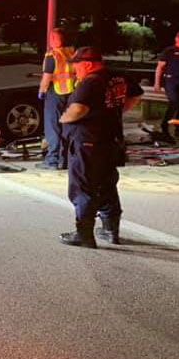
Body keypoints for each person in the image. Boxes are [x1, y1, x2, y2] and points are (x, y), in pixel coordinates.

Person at [58, 47, 143, 248]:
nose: (75, 70)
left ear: (87, 64)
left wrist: (65, 119)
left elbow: (79, 109)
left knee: (83, 186)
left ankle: (84, 233)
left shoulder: (90, 82)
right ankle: (110, 229)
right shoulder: (118, 76)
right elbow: (136, 95)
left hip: (87, 141)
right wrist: (116, 110)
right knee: (106, 184)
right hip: (110, 140)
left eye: (77, 66)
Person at [37, 28, 75, 170]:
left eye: (53, 38)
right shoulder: (71, 52)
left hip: (56, 92)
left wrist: (41, 91)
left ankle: (52, 160)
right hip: (71, 93)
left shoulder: (52, 55)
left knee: (52, 127)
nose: (51, 41)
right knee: (67, 126)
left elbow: (47, 77)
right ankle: (64, 160)